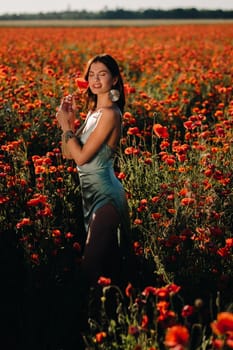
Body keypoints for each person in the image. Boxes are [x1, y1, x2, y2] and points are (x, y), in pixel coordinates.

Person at [56, 53, 132, 292]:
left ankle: (94, 318)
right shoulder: (94, 114)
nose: (96, 79)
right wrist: (70, 121)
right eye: (91, 74)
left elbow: (81, 156)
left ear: (115, 80)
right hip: (88, 195)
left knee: (90, 268)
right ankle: (105, 315)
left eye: (103, 74)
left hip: (105, 196)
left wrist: (67, 127)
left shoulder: (110, 114)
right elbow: (68, 154)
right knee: (106, 266)